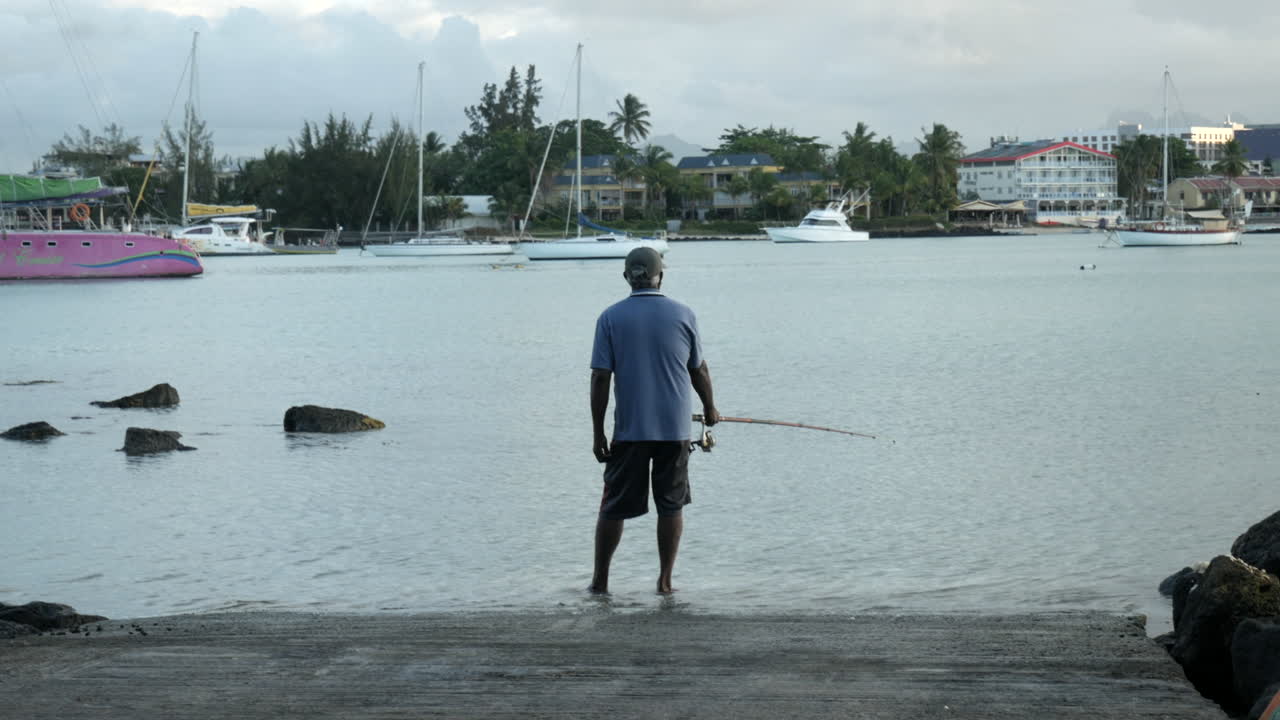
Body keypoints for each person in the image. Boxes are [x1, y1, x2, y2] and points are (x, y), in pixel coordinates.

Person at [589, 246, 719, 595]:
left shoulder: (610, 318)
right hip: (675, 430)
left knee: (613, 506)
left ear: (626, 277)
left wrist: (598, 434)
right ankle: (665, 583)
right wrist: (710, 408)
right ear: (660, 276)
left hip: (629, 430)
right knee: (671, 505)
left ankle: (600, 582)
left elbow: (600, 377)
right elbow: (698, 369)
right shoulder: (684, 314)